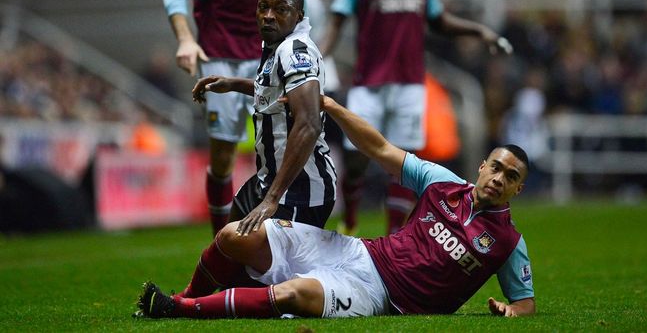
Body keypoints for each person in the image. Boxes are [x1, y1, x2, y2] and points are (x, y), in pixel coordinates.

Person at [135, 95, 535, 320]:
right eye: (496, 167)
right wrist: (327, 105)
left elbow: (526, 302)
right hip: (360, 251)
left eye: (510, 176)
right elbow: (379, 148)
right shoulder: (442, 182)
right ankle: (186, 293)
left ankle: (179, 310)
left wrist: (511, 310)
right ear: (483, 167)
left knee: (292, 295)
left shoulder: (507, 241)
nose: (499, 178)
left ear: (517, 189)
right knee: (236, 234)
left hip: (379, 297)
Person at [320, 0, 513, 235]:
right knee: (356, 161)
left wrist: (479, 31)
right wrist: (317, 58)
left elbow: (439, 20)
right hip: (368, 84)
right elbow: (337, 22)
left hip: (410, 84)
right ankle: (350, 218)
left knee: (403, 165)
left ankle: (395, 235)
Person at [162, 0, 311, 235]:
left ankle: (279, 239)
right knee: (225, 155)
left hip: (273, 59)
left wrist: (305, 45)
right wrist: (185, 39)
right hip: (221, 57)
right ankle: (220, 245)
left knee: (283, 152)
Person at [191, 0, 336, 238]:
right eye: (263, 8)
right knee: (224, 247)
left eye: (280, 9)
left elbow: (309, 124)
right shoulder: (276, 45)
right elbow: (276, 91)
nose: (268, 16)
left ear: (298, 16)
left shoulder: (295, 52)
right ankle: (200, 282)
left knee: (273, 273)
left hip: (298, 190)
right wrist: (233, 84)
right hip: (268, 178)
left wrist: (273, 198)